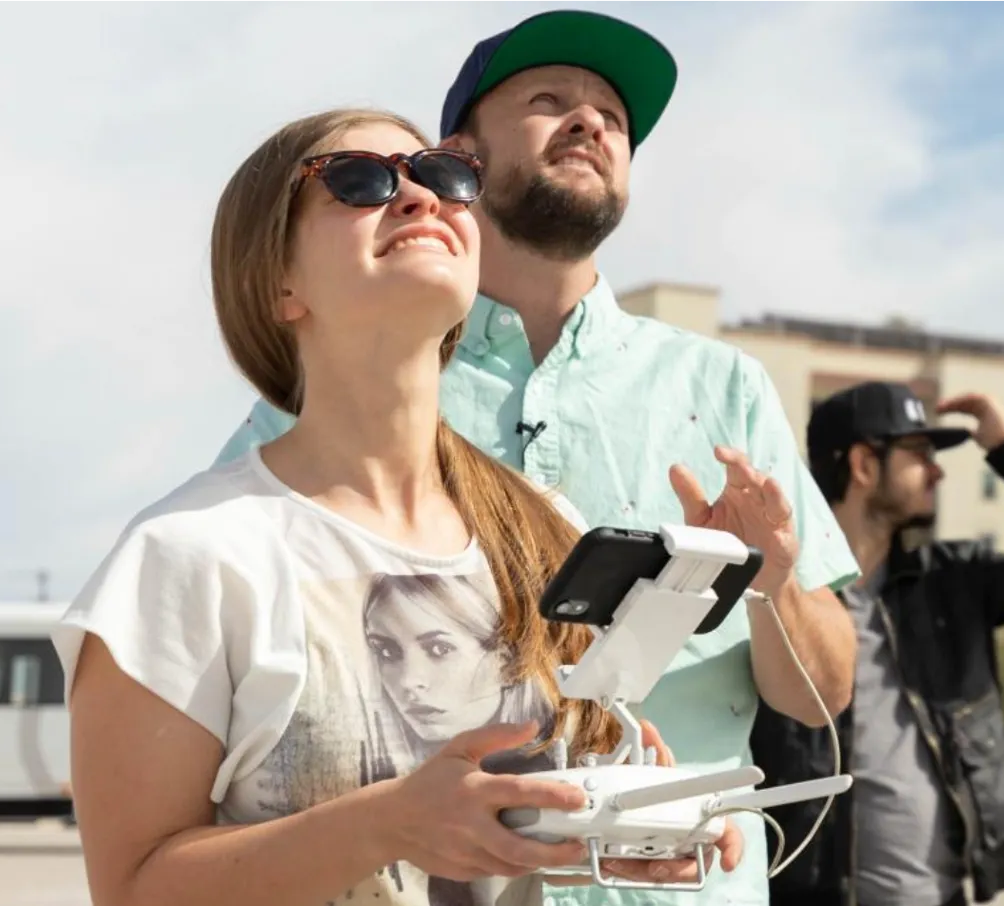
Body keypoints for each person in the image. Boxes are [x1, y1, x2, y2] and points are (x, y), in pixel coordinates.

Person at [53, 106, 811, 906]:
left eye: (444, 177)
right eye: (359, 181)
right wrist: (388, 825)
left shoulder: (544, 527)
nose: (419, 198)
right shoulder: (191, 553)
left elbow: (505, 840)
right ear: (277, 282)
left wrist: (607, 827)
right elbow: (133, 888)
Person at [217, 12, 861, 904]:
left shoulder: (726, 386)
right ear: (455, 159)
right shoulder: (350, 377)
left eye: (614, 119)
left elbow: (821, 697)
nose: (592, 122)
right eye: (550, 100)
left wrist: (775, 582)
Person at [750, 381, 1004, 906]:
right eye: (919, 454)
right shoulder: (778, 594)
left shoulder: (954, 582)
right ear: (864, 465)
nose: (937, 471)